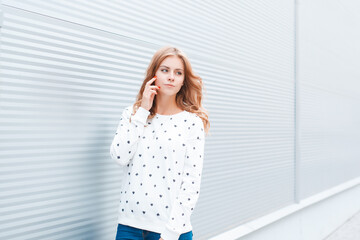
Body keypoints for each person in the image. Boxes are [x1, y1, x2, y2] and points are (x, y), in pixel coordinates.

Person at [110, 46, 210, 240]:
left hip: (171, 230)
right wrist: (143, 111)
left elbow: (191, 184)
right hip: (129, 226)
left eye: (178, 72)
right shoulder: (132, 113)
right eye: (165, 70)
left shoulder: (192, 123)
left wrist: (170, 234)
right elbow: (119, 156)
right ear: (153, 74)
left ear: (183, 80)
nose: (171, 77)